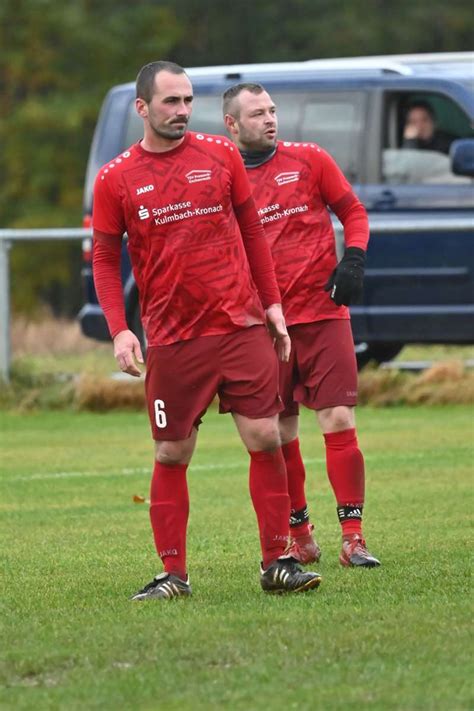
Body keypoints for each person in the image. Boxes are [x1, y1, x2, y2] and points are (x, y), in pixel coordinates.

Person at [92, 61, 322, 600]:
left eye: (188, 100)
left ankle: (277, 562)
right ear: (142, 108)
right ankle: (174, 574)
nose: (181, 110)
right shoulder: (115, 178)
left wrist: (272, 306)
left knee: (266, 435)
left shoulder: (220, 155)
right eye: (170, 101)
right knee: (172, 453)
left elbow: (253, 234)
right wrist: (121, 331)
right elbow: (104, 259)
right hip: (172, 339)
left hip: (239, 325)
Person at [223, 83, 380, 568]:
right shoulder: (219, 179)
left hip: (323, 313)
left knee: (338, 420)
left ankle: (353, 538)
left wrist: (352, 259)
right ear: (231, 124)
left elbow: (353, 211)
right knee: (278, 432)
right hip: (263, 326)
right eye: (256, 114)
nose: (270, 119)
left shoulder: (310, 159)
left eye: (272, 111)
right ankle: (301, 534)